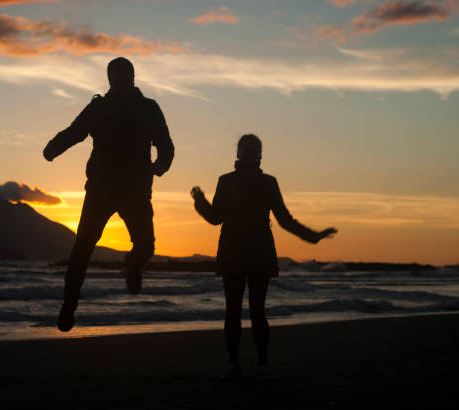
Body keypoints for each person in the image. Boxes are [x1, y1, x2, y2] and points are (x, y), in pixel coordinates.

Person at [43, 57, 174, 332]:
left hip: (136, 189)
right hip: (101, 188)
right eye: (116, 77)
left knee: (146, 246)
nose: (121, 82)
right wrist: (54, 147)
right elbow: (75, 131)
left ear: (133, 78)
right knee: (82, 249)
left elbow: (165, 144)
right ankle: (69, 307)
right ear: (110, 80)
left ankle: (133, 263)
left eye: (125, 77)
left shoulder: (148, 108)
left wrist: (160, 166)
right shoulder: (99, 107)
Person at [191, 134, 336, 379]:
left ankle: (262, 363)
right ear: (238, 153)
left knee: (257, 310)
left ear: (259, 154)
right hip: (234, 252)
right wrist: (200, 201)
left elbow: (285, 220)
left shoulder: (268, 183)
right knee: (233, 311)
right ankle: (233, 363)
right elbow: (216, 218)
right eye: (245, 149)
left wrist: (314, 236)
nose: (248, 153)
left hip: (258, 253)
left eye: (253, 150)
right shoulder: (226, 181)